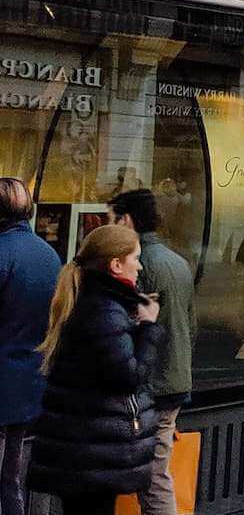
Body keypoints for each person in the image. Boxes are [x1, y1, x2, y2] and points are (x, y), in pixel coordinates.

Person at [27, 225, 164, 515]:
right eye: (135, 258)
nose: (139, 267)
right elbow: (128, 376)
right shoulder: (105, 311)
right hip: (92, 446)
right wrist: (149, 328)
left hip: (85, 442)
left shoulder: (93, 302)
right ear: (116, 264)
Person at [105, 190, 194, 515]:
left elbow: (130, 331)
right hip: (172, 380)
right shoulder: (178, 262)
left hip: (151, 386)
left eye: (111, 220)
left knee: (154, 477)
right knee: (154, 471)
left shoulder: (140, 266)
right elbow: (191, 325)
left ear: (126, 220)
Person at [0, 178, 58, 515]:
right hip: (30, 382)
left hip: (3, 377)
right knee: (12, 480)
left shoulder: (3, 252)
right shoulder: (48, 255)